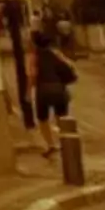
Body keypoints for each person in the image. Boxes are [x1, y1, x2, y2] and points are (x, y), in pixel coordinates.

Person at [30, 25, 78, 155]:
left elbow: (33, 74)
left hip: (43, 90)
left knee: (43, 119)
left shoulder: (36, 56)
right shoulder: (55, 53)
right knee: (61, 117)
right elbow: (70, 66)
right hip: (59, 89)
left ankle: (50, 145)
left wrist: (29, 90)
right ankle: (65, 143)